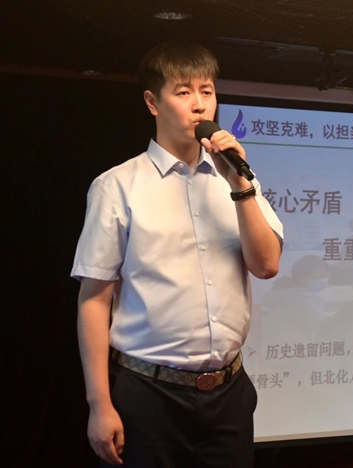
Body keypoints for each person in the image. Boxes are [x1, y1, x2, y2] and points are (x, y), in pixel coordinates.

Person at [71, 41, 283, 467]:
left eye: (207, 91)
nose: (199, 105)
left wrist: (239, 186)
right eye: (183, 92)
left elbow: (266, 266)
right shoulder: (117, 186)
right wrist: (99, 404)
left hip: (228, 394)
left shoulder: (239, 180)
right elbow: (94, 300)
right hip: (147, 394)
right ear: (153, 102)